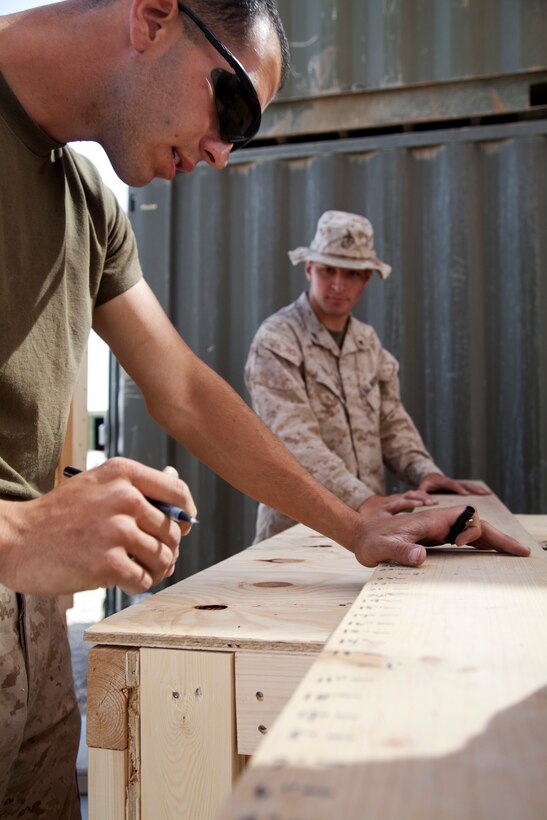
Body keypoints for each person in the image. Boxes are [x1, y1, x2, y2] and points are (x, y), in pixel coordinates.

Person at [0, 3, 528, 817]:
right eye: (232, 108)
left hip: (30, 616)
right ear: (151, 17)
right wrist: (24, 532)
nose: (219, 154)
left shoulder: (87, 202)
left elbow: (182, 388)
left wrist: (358, 527)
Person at [245, 210, 491, 541]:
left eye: (352, 274)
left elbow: (391, 423)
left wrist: (425, 471)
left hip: (372, 527)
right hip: (298, 533)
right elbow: (294, 440)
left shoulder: (367, 342)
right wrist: (362, 499)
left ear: (367, 279)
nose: (337, 284)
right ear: (309, 269)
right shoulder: (277, 340)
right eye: (328, 270)